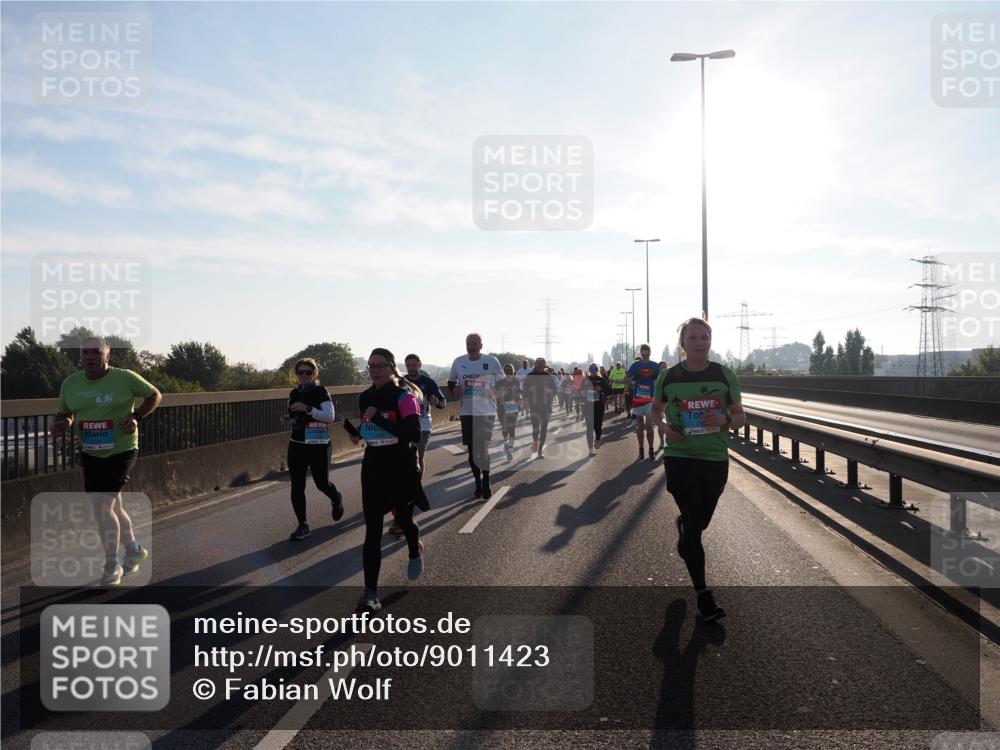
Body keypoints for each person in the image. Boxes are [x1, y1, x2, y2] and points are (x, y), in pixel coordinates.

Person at [652, 318, 745, 621]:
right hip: (679, 457)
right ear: (683, 343)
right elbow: (655, 410)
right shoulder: (668, 377)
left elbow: (740, 416)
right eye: (693, 337)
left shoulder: (723, 374)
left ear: (710, 341)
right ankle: (703, 595)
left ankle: (685, 530)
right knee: (694, 526)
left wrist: (724, 421)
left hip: (715, 459)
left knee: (700, 521)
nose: (699, 342)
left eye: (704, 337)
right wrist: (665, 428)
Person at [51, 337, 162, 586]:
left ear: (107, 356)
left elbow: (155, 395)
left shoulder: (124, 378)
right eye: (85, 352)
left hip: (122, 450)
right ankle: (133, 549)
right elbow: (65, 413)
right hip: (91, 452)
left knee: (101, 506)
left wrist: (137, 416)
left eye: (96, 353)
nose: (89, 357)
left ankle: (112, 564)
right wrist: (63, 424)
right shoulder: (71, 384)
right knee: (112, 507)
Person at [349, 348, 427, 614]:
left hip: (401, 466)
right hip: (373, 467)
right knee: (372, 530)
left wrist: (380, 418)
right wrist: (359, 434)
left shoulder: (404, 397)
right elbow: (369, 428)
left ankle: (415, 549)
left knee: (404, 519)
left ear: (392, 367)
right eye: (371, 365)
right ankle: (370, 593)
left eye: (381, 365)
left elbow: (413, 433)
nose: (375, 369)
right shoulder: (365, 396)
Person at [284, 358, 345, 541]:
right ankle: (302, 525)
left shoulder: (321, 392)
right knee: (297, 487)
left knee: (321, 483)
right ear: (296, 374)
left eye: (307, 372)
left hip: (318, 445)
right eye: (300, 372)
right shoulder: (294, 393)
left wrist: (308, 408)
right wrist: (289, 419)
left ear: (314, 374)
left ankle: (336, 497)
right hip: (297, 444)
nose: (303, 375)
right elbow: (296, 417)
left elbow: (329, 417)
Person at [448, 333, 504, 499]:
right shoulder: (459, 362)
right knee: (472, 452)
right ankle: (477, 482)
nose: (471, 346)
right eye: (468, 343)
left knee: (483, 449)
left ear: (480, 345)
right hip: (467, 412)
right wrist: (454, 389)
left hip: (486, 412)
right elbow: (451, 381)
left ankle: (486, 481)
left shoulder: (492, 361)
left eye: (474, 343)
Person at [403, 354, 447, 476]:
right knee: (408, 457)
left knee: (418, 454)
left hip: (424, 424)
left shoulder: (428, 382)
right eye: (408, 366)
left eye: (414, 365)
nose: (411, 368)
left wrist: (436, 401)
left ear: (419, 365)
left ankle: (418, 485)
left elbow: (443, 403)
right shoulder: (401, 382)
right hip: (407, 425)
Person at [626, 346, 659, 460]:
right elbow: (627, 378)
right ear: (641, 352)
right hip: (637, 399)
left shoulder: (655, 365)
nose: (645, 352)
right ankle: (641, 450)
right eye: (643, 350)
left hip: (650, 399)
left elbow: (660, 380)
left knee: (649, 427)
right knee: (640, 426)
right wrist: (630, 380)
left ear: (650, 352)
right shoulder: (635, 365)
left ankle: (651, 450)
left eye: (647, 350)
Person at [521, 358, 557, 458]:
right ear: (535, 364)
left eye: (542, 363)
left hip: (546, 407)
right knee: (536, 429)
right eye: (538, 363)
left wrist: (549, 391)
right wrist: (528, 394)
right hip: (534, 407)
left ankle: (540, 450)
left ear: (545, 365)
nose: (540, 365)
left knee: (544, 429)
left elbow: (555, 390)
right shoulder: (530, 376)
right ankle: (535, 442)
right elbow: (524, 391)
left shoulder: (548, 376)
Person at [580, 364, 612, 455]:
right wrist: (585, 392)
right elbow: (580, 392)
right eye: (591, 369)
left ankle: (597, 439)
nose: (593, 371)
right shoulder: (585, 380)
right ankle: (590, 450)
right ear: (589, 370)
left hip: (599, 406)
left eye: (595, 369)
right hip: (588, 406)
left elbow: (609, 392)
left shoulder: (602, 380)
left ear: (597, 370)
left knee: (598, 427)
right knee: (589, 428)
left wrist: (601, 389)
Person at [494, 364, 522, 461]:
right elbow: (495, 395)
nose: (508, 371)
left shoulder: (516, 382)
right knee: (505, 428)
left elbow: (519, 394)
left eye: (510, 370)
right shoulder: (499, 382)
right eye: (506, 370)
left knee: (512, 429)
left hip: (513, 407)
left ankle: (510, 450)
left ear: (513, 371)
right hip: (501, 408)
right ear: (504, 371)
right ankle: (505, 442)